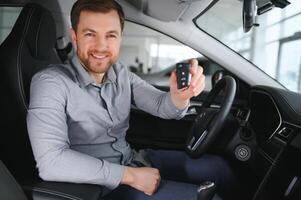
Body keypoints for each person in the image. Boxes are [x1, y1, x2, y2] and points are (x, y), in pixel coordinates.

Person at [27, 0, 238, 199]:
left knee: (220, 169)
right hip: (100, 188)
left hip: (135, 160)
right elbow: (51, 162)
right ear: (75, 37)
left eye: (110, 35)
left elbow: (160, 105)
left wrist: (179, 97)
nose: (101, 46)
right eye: (90, 34)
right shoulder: (51, 82)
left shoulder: (120, 73)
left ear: (120, 38)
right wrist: (130, 176)